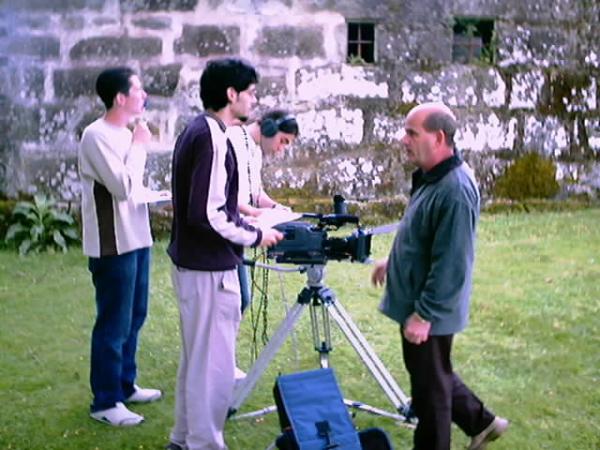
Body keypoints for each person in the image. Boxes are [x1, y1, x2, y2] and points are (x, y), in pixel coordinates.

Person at [371, 102, 509, 450]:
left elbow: (452, 263)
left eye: (412, 133)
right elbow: (421, 232)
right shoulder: (431, 176)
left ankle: (478, 424)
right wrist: (394, 260)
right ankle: (483, 422)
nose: (403, 140)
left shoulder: (455, 190)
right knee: (431, 376)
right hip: (419, 301)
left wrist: (424, 315)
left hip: (429, 308)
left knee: (431, 396)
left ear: (439, 138)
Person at [166, 58, 283, 450]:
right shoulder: (213, 136)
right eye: (251, 92)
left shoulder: (200, 130)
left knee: (197, 360)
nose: (254, 99)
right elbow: (208, 213)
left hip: (195, 263)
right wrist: (257, 235)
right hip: (207, 268)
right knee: (213, 366)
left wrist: (248, 222)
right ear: (231, 94)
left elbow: (212, 205)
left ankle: (184, 438)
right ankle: (203, 443)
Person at [79, 67, 163, 427]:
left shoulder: (126, 133)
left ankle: (125, 386)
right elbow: (122, 187)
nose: (144, 95)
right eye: (138, 90)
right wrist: (140, 145)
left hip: (137, 237)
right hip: (112, 244)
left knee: (136, 315)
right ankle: (105, 401)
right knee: (113, 322)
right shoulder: (95, 136)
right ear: (119, 98)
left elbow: (132, 187)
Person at [226, 109, 300, 314]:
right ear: (269, 128)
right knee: (235, 299)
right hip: (225, 228)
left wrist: (276, 208)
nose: (281, 149)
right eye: (283, 141)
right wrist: (253, 212)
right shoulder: (232, 139)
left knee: (241, 299)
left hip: (239, 228)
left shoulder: (255, 151)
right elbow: (222, 192)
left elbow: (256, 193)